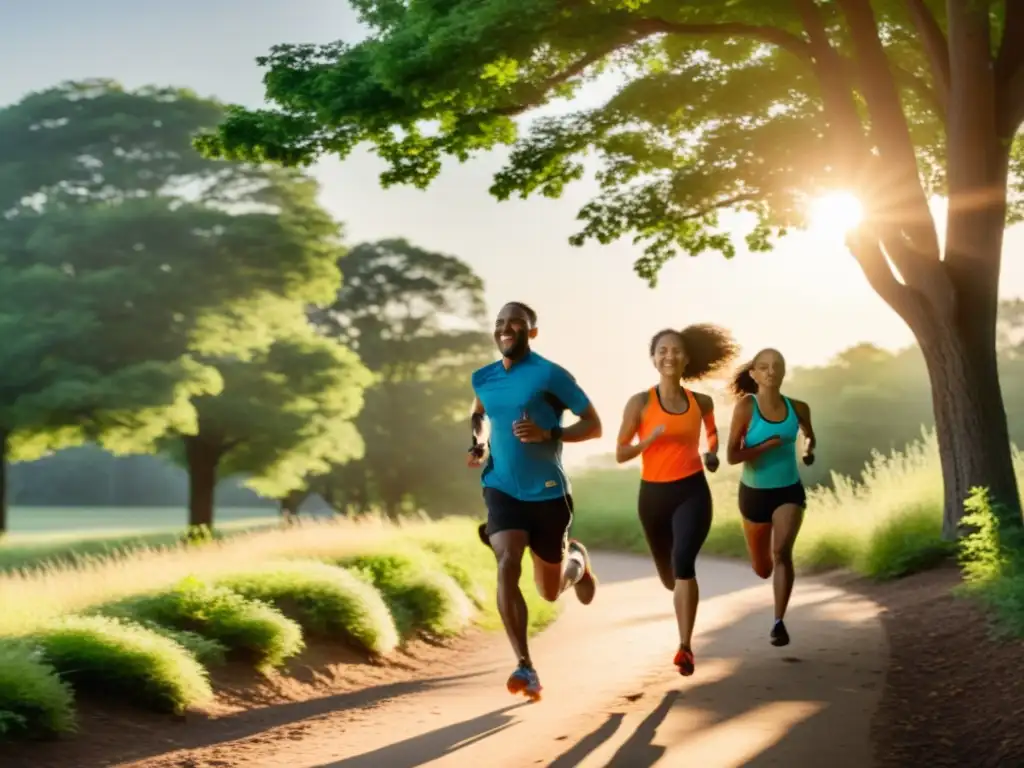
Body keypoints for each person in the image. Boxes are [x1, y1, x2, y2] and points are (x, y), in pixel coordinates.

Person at [467, 301, 602, 701]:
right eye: (500, 323)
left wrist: (549, 435)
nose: (507, 329)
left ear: (532, 332)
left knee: (549, 590)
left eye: (517, 324)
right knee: (507, 562)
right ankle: (524, 665)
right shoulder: (483, 377)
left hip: (548, 494)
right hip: (502, 487)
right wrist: (476, 444)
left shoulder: (551, 375)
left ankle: (576, 563)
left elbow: (593, 426)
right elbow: (479, 414)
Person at [614, 324, 739, 677]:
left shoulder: (702, 402)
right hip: (653, 496)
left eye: (676, 350)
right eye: (662, 350)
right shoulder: (639, 403)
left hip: (692, 490)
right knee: (670, 577)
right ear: (654, 359)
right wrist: (647, 441)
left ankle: (684, 647)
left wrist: (711, 455)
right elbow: (621, 453)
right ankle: (678, 592)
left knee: (684, 563)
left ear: (687, 359)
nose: (670, 355)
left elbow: (712, 439)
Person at [725, 348, 816, 648]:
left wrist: (808, 451)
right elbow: (732, 456)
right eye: (763, 367)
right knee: (763, 567)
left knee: (782, 553)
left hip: (789, 490)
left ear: (784, 371)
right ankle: (763, 570)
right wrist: (765, 445)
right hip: (753, 495)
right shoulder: (745, 408)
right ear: (754, 374)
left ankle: (779, 622)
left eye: (777, 366)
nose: (771, 371)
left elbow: (809, 435)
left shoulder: (799, 407)